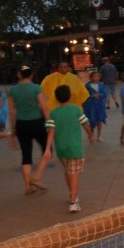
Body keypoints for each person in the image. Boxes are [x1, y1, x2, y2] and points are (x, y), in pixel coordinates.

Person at [38, 85, 93, 213]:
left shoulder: (53, 113)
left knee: (68, 171)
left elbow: (51, 131)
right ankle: (74, 201)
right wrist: (90, 136)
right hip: (74, 147)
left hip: (61, 148)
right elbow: (86, 124)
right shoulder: (76, 109)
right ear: (69, 96)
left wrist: (47, 148)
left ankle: (72, 194)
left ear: (57, 98)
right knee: (74, 174)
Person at [8, 66, 50, 195]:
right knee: (47, 149)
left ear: (19, 75)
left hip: (21, 123)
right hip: (37, 121)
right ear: (31, 75)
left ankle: (28, 187)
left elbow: (11, 111)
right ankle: (36, 176)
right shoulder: (36, 88)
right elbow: (44, 107)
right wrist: (49, 122)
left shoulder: (12, 90)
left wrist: (13, 129)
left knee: (26, 154)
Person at [83, 71, 108, 142]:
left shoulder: (101, 85)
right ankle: (91, 135)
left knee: (99, 121)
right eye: (95, 76)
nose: (97, 77)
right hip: (91, 106)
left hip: (100, 105)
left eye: (98, 76)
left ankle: (99, 136)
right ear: (91, 77)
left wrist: (100, 95)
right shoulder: (87, 86)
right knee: (92, 121)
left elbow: (104, 93)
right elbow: (85, 95)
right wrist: (92, 96)